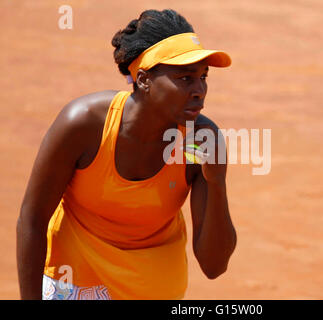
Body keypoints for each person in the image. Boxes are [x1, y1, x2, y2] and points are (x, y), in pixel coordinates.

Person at [16, 9, 237, 300]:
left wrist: (217, 181)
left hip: (155, 291)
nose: (199, 90)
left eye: (203, 77)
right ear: (144, 80)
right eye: (185, 78)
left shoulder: (200, 141)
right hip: (73, 287)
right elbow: (32, 220)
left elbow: (214, 265)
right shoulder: (83, 124)